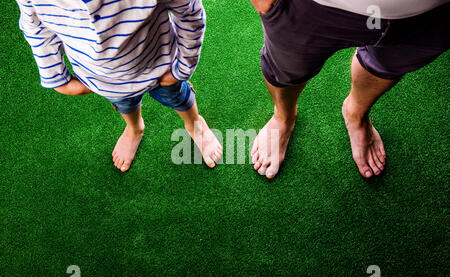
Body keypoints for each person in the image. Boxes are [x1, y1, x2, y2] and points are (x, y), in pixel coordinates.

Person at [249, 0, 449, 178]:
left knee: (386, 67)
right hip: (315, 5)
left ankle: (356, 114)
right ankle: (284, 117)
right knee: (287, 69)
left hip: (432, 12)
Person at [17, 0, 222, 172]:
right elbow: (35, 26)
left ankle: (195, 124)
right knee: (126, 105)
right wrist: (56, 78)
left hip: (161, 67)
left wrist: (181, 69)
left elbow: (189, 11)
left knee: (177, 96)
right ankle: (134, 129)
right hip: (104, 81)